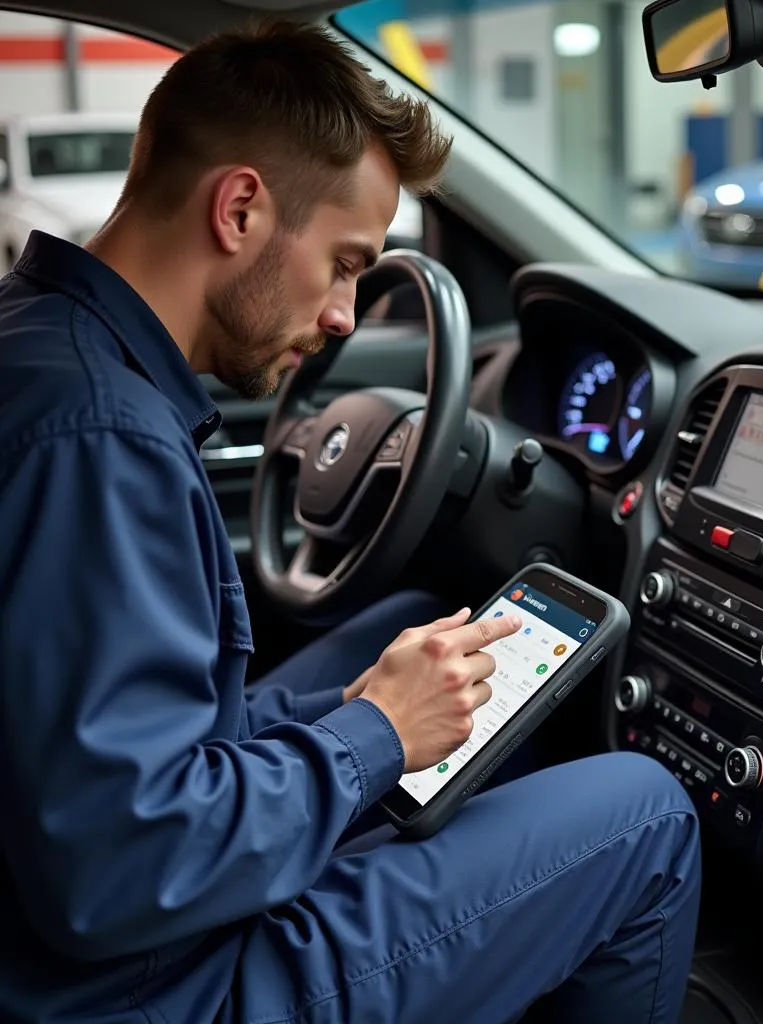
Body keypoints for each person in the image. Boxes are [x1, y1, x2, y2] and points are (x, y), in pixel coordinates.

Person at [0, 19, 701, 1024]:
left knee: (405, 620)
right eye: (345, 263)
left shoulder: (45, 345)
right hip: (145, 988)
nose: (343, 315)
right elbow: (121, 867)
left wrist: (352, 709)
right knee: (644, 812)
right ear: (239, 207)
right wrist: (372, 735)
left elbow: (138, 739)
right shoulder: (100, 440)